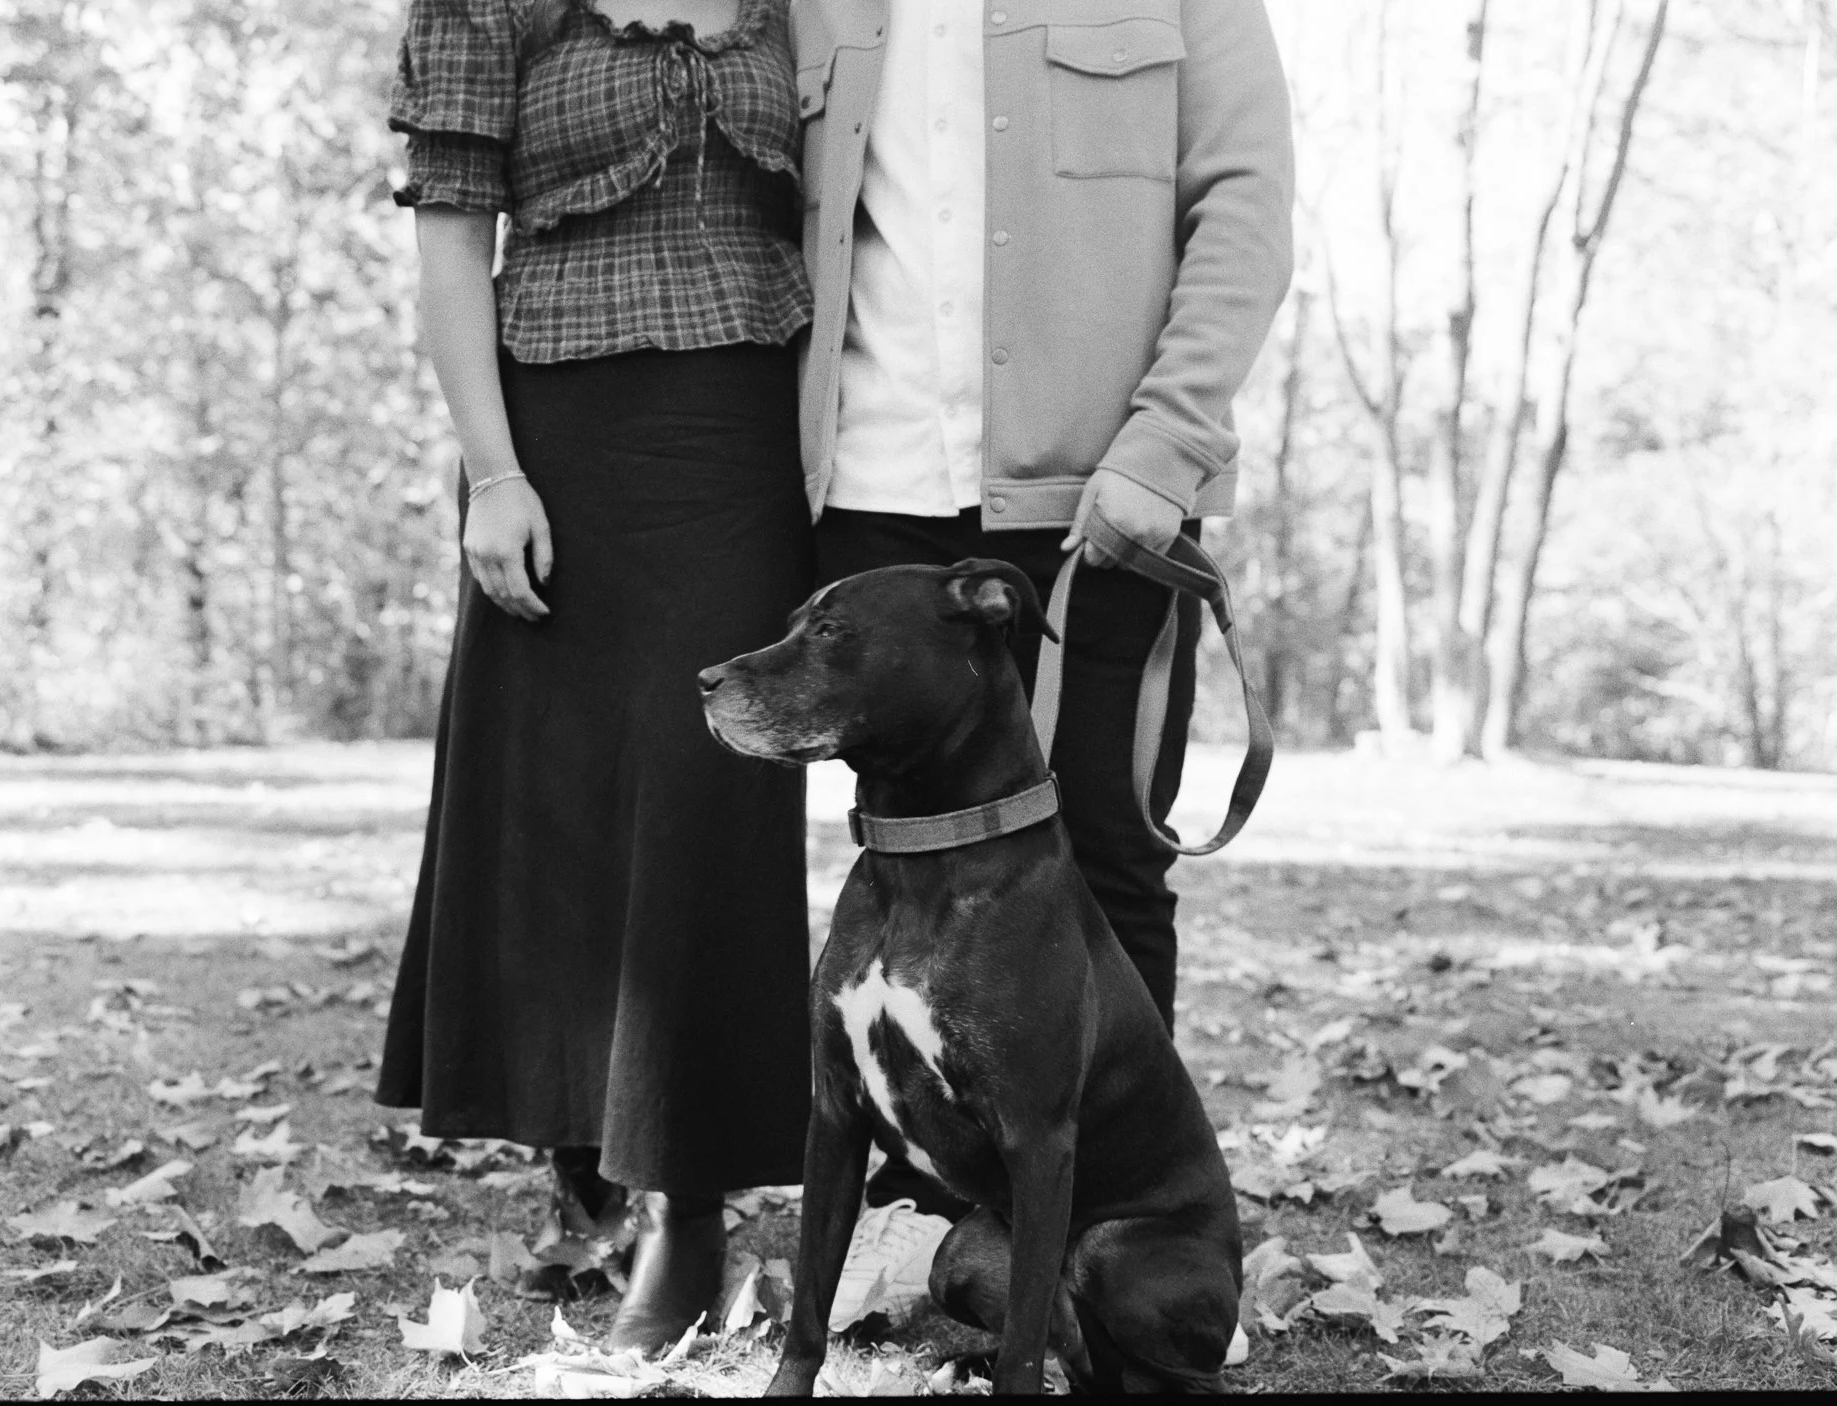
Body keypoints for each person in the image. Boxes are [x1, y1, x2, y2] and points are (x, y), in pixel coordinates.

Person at [787, 0, 1295, 1327]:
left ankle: (1121, 1265)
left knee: (1106, 875)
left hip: (1101, 495)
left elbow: (1245, 203)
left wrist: (1168, 440)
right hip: (875, 490)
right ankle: (949, 1258)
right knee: (902, 895)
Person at [373, 0, 816, 1354]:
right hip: (556, 439)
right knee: (560, 818)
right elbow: (453, 242)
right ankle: (587, 1154)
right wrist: (494, 474)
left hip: (745, 440)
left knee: (707, 803)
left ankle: (690, 1207)